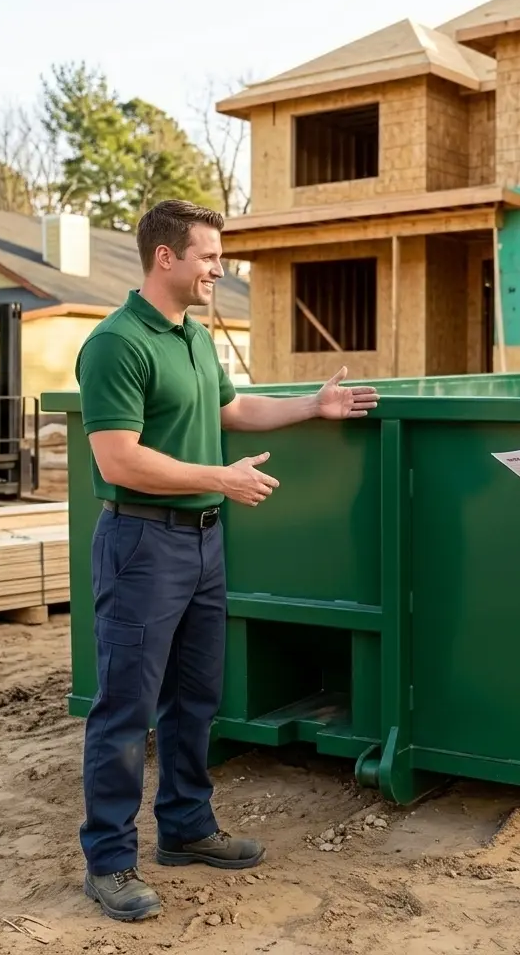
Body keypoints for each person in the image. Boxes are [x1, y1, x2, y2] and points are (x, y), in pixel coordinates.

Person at [75, 199, 379, 922]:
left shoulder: (194, 336)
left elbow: (231, 411)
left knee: (195, 697)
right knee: (124, 709)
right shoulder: (117, 343)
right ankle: (109, 861)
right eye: (209, 256)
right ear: (166, 257)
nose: (220, 268)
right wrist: (221, 477)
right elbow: (119, 460)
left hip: (202, 541)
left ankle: (185, 827)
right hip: (142, 543)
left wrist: (313, 405)